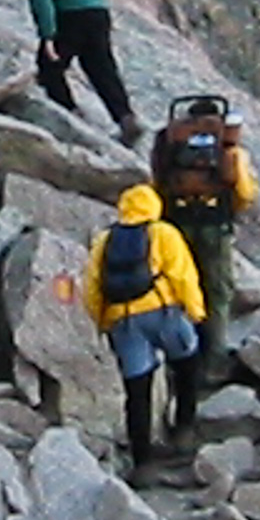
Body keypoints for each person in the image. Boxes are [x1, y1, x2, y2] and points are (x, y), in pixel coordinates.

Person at [82, 182, 205, 474]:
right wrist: (196, 310)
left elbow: (91, 289)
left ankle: (143, 463)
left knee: (137, 391)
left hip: (123, 321)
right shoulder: (163, 233)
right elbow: (183, 275)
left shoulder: (105, 240)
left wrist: (103, 321)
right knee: (188, 363)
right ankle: (184, 431)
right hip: (163, 312)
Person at [147, 93, 260, 379]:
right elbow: (244, 193)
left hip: (177, 223)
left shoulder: (171, 138)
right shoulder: (227, 144)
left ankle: (179, 358)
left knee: (179, 288)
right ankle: (214, 361)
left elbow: (157, 180)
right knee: (218, 291)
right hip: (214, 223)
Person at [0, 0, 140, 140]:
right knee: (101, 67)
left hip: (72, 15)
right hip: (99, 12)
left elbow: (41, 1)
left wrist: (48, 36)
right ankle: (125, 117)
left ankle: (69, 115)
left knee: (49, 66)